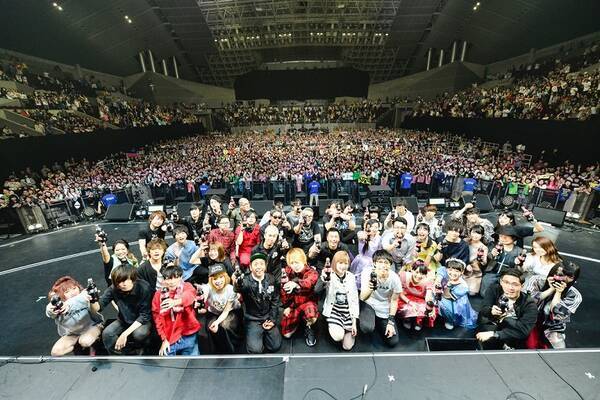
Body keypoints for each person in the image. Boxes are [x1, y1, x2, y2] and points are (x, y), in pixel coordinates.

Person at [97, 265, 153, 355]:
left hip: (142, 321)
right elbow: (99, 307)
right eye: (119, 282)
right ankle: (119, 356)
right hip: (124, 320)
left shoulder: (144, 287)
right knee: (107, 333)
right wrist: (92, 301)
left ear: (132, 278)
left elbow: (144, 316)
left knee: (139, 334)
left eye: (125, 280)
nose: (122, 284)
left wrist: (124, 334)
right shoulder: (114, 288)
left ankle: (142, 351)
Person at [524, 262, 582, 349]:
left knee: (559, 351)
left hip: (553, 327)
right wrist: (550, 289)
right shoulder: (536, 280)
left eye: (570, 277)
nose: (564, 279)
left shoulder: (575, 296)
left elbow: (558, 316)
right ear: (552, 273)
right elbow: (526, 302)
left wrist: (558, 292)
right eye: (561, 275)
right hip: (529, 320)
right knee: (529, 346)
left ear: (574, 279)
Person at [233, 252, 282, 354]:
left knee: (275, 346)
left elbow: (275, 300)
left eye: (261, 264)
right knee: (255, 350)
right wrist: (237, 282)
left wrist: (272, 320)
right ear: (251, 267)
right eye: (255, 264)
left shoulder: (271, 279)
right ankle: (254, 334)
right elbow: (239, 288)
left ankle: (265, 334)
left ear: (265, 266)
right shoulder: (246, 281)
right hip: (253, 319)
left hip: (268, 316)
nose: (259, 267)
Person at [476, 269, 537, 349]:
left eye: (515, 284)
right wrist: (490, 310)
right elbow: (483, 309)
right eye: (506, 283)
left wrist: (495, 333)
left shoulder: (529, 304)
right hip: (491, 325)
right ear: (501, 282)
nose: (510, 288)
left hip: (512, 333)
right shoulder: (494, 289)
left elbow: (524, 331)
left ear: (521, 286)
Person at [46, 276, 104, 356]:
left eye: (74, 288)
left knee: (85, 341)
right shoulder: (59, 305)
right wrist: (51, 309)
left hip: (92, 327)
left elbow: (81, 298)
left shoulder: (85, 295)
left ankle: (96, 343)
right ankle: (78, 346)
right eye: (67, 292)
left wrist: (67, 305)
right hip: (73, 334)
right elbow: (49, 311)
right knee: (56, 352)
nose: (73, 292)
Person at [152, 264, 201, 356]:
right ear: (164, 280)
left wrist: (175, 302)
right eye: (169, 278)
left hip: (188, 334)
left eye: (176, 277)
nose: (172, 281)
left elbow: (189, 296)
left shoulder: (187, 286)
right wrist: (164, 339)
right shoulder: (158, 295)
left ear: (181, 277)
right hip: (170, 337)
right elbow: (157, 318)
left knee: (192, 363)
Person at [315, 251, 359, 351]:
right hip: (334, 311)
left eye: (346, 263)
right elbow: (317, 290)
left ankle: (345, 328)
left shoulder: (351, 277)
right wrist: (323, 279)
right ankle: (333, 326)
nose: (343, 266)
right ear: (335, 263)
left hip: (347, 312)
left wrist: (354, 323)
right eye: (340, 263)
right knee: (338, 336)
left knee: (347, 346)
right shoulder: (329, 275)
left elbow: (354, 300)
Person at [359, 250, 401, 347]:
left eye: (386, 262)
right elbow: (362, 297)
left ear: (390, 265)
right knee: (367, 328)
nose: (383, 265)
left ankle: (379, 321)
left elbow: (394, 300)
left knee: (393, 341)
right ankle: (371, 319)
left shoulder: (395, 278)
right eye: (380, 262)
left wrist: (390, 321)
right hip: (369, 303)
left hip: (384, 307)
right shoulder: (367, 272)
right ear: (374, 263)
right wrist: (371, 287)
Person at [197, 263, 242, 354]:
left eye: (221, 277)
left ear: (225, 277)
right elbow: (204, 290)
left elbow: (226, 311)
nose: (218, 281)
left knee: (225, 325)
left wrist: (217, 322)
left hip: (231, 311)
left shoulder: (231, 290)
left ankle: (232, 352)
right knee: (211, 327)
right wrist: (202, 297)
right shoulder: (208, 287)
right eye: (215, 279)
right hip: (214, 312)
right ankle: (217, 352)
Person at [280, 248, 320, 347]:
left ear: (303, 260)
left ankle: (309, 327)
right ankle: (300, 321)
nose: (295, 265)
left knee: (311, 314)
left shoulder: (312, 272)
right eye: (292, 263)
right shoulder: (287, 272)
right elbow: (283, 292)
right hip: (294, 305)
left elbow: (308, 283)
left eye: (297, 262)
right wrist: (286, 306)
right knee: (287, 334)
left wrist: (296, 283)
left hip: (307, 302)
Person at [435, 258, 478, 330]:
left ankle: (450, 320)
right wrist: (438, 280)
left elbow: (447, 296)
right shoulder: (445, 272)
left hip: (454, 302)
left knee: (444, 304)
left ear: (462, 272)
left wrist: (448, 285)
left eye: (457, 271)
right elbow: (442, 269)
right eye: (450, 270)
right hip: (442, 294)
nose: (453, 273)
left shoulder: (463, 286)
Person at [480, 225, 523, 297]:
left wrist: (518, 264)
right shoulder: (495, 246)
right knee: (487, 281)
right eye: (501, 236)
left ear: (513, 238)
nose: (503, 239)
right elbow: (485, 261)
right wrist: (491, 254)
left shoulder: (519, 251)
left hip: (508, 275)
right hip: (492, 272)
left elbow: (520, 270)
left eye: (506, 237)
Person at [397, 263, 436, 331]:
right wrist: (409, 302)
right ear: (412, 270)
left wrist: (429, 305)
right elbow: (400, 293)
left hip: (420, 299)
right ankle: (407, 319)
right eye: (417, 272)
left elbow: (428, 296)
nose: (419, 276)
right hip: (405, 298)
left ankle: (418, 321)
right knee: (405, 306)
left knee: (425, 308)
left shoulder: (428, 281)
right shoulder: (404, 276)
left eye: (422, 274)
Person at [349, 219, 381, 289]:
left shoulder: (379, 238)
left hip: (373, 260)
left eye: (376, 227)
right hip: (361, 259)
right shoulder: (362, 234)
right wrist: (367, 233)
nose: (374, 229)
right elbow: (360, 236)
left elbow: (379, 251)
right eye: (372, 227)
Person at [464, 225, 488, 296]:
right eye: (473, 232)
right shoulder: (465, 241)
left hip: (474, 270)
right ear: (470, 233)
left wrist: (482, 260)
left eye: (478, 233)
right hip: (463, 267)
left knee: (471, 293)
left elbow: (484, 263)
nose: (475, 235)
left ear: (482, 235)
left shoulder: (483, 247)